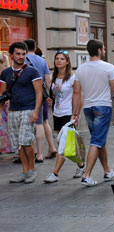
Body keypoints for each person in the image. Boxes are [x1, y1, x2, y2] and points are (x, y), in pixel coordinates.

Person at [72, 40, 114, 186]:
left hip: (88, 108)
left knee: (99, 139)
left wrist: (74, 114)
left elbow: (76, 92)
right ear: (99, 50)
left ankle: (107, 170)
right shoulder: (109, 67)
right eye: (103, 48)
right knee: (97, 141)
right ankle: (87, 175)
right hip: (103, 107)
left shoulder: (80, 69)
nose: (104, 50)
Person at [0, 42, 42, 183]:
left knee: (26, 141)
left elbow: (39, 93)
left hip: (28, 109)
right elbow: (3, 95)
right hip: (13, 111)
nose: (21, 57)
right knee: (18, 144)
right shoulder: (6, 73)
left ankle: (32, 170)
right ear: (11, 55)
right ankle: (24, 171)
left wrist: (36, 111)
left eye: (23, 54)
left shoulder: (32, 71)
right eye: (18, 54)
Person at [44, 51, 85, 183]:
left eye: (62, 59)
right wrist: (51, 100)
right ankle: (81, 166)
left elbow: (79, 97)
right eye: (57, 59)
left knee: (62, 144)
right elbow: (56, 95)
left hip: (69, 113)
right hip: (57, 113)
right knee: (67, 144)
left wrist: (76, 115)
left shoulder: (73, 78)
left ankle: (55, 174)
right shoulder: (53, 77)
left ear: (67, 62)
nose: (59, 61)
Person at [24, 39, 57, 162]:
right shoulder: (42, 60)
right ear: (35, 47)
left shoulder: (22, 59)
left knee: (30, 124)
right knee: (43, 122)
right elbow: (48, 80)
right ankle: (45, 151)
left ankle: (34, 153)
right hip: (41, 95)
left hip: (26, 95)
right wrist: (50, 95)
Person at [0, 52, 11, 154]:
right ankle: (6, 146)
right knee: (5, 126)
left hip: (2, 102)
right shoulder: (7, 72)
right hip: (6, 103)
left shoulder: (4, 73)